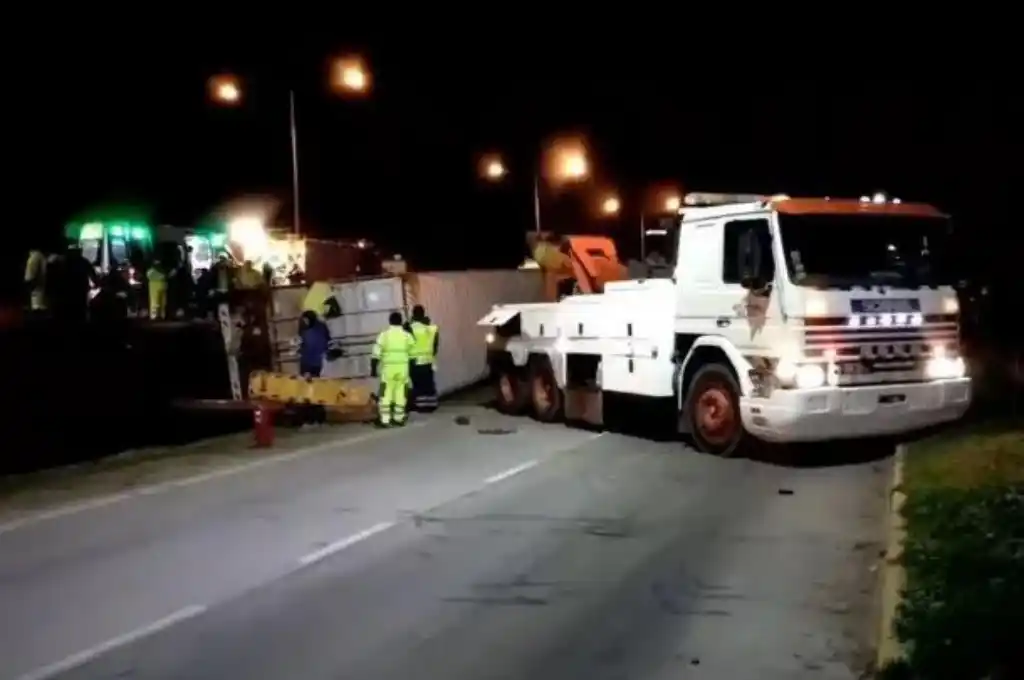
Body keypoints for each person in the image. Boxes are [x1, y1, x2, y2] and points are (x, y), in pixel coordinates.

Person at [371, 311, 414, 427]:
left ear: (390, 321)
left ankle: (385, 420)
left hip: (388, 371)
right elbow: (412, 353)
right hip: (402, 371)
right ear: (401, 322)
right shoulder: (407, 336)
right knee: (400, 395)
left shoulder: (384, 335)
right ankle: (398, 419)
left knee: (386, 395)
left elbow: (376, 354)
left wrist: (373, 369)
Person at [407, 304, 439, 411]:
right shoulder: (432, 328)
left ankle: (421, 406)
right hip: (429, 361)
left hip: (415, 362)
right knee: (429, 385)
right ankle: (431, 405)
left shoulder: (409, 327)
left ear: (413, 314)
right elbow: (435, 347)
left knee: (418, 385)